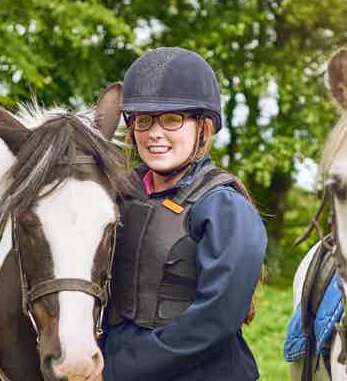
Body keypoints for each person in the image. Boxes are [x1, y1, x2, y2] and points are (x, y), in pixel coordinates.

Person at [101, 47, 267, 380]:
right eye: (143, 121)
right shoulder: (116, 194)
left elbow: (216, 317)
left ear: (202, 127)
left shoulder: (223, 206)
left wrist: (124, 368)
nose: (155, 133)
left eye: (172, 119)